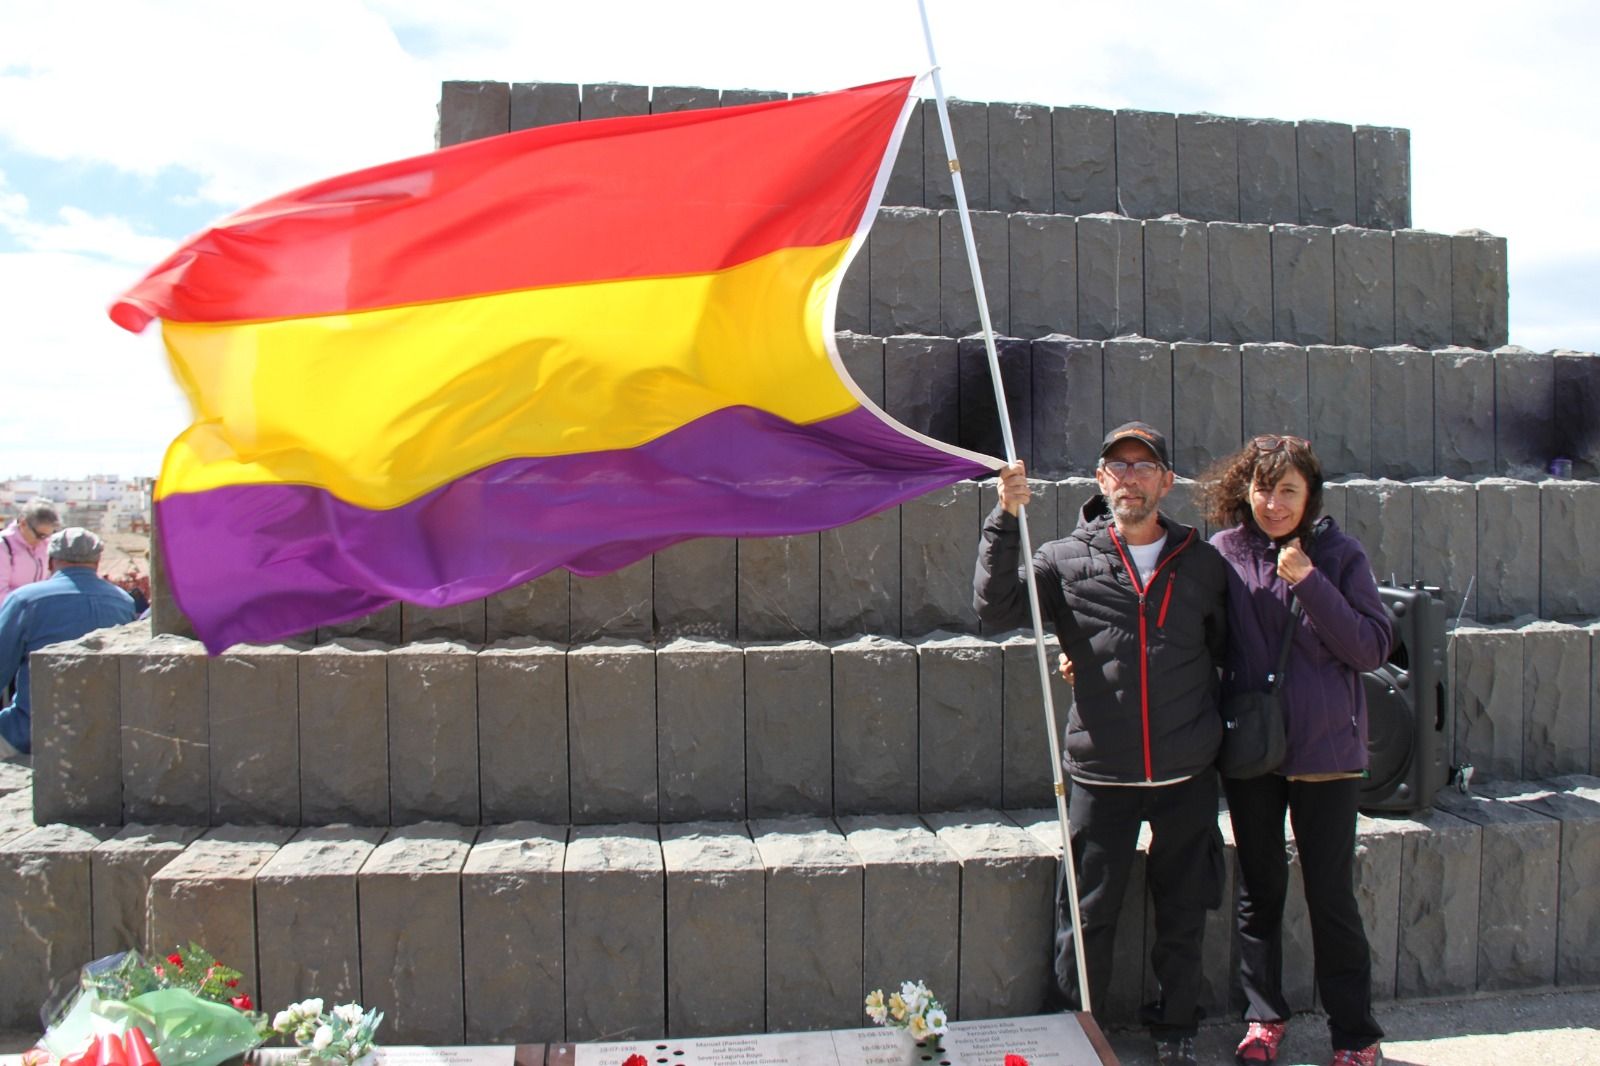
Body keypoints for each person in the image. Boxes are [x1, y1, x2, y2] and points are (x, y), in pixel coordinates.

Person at [974, 421, 1229, 1066]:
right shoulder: (1064, 559)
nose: (1130, 476)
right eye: (1118, 465)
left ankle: (1176, 1029)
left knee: (1182, 913)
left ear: (1167, 481)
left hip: (1184, 774)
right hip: (1101, 772)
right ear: (1099, 478)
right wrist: (1005, 514)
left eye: (1145, 466)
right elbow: (995, 605)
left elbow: (1225, 653)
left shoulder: (1202, 563)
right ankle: (1072, 1034)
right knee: (1085, 920)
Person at [1196, 435, 1392, 1066]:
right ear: (1243, 490)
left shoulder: (1339, 554)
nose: (1274, 504)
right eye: (1262, 489)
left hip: (1328, 750)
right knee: (1259, 888)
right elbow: (1199, 639)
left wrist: (1308, 582)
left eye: (1287, 491)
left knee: (1332, 895)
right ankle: (1263, 1017)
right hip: (1255, 748)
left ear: (1310, 496)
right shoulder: (1225, 553)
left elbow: (1369, 648)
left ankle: (1355, 1033)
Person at [0, 527, 138, 758]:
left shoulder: (25, 600)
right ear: (97, 562)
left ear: (51, 561)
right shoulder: (123, 602)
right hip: (106, 735)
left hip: (32, 734)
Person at [0, 499, 60, 607]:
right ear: (23, 524)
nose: (44, 540)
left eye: (49, 535)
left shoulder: (46, 545)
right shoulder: (3, 546)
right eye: (40, 535)